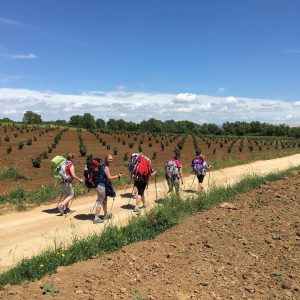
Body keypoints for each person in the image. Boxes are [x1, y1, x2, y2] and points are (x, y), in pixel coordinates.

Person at [93, 154, 122, 224]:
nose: (111, 161)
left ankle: (105, 214)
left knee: (104, 200)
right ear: (106, 159)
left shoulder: (102, 166)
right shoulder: (105, 167)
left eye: (112, 159)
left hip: (101, 186)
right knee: (100, 201)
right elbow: (109, 177)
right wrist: (118, 176)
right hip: (101, 186)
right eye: (109, 159)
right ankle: (96, 218)